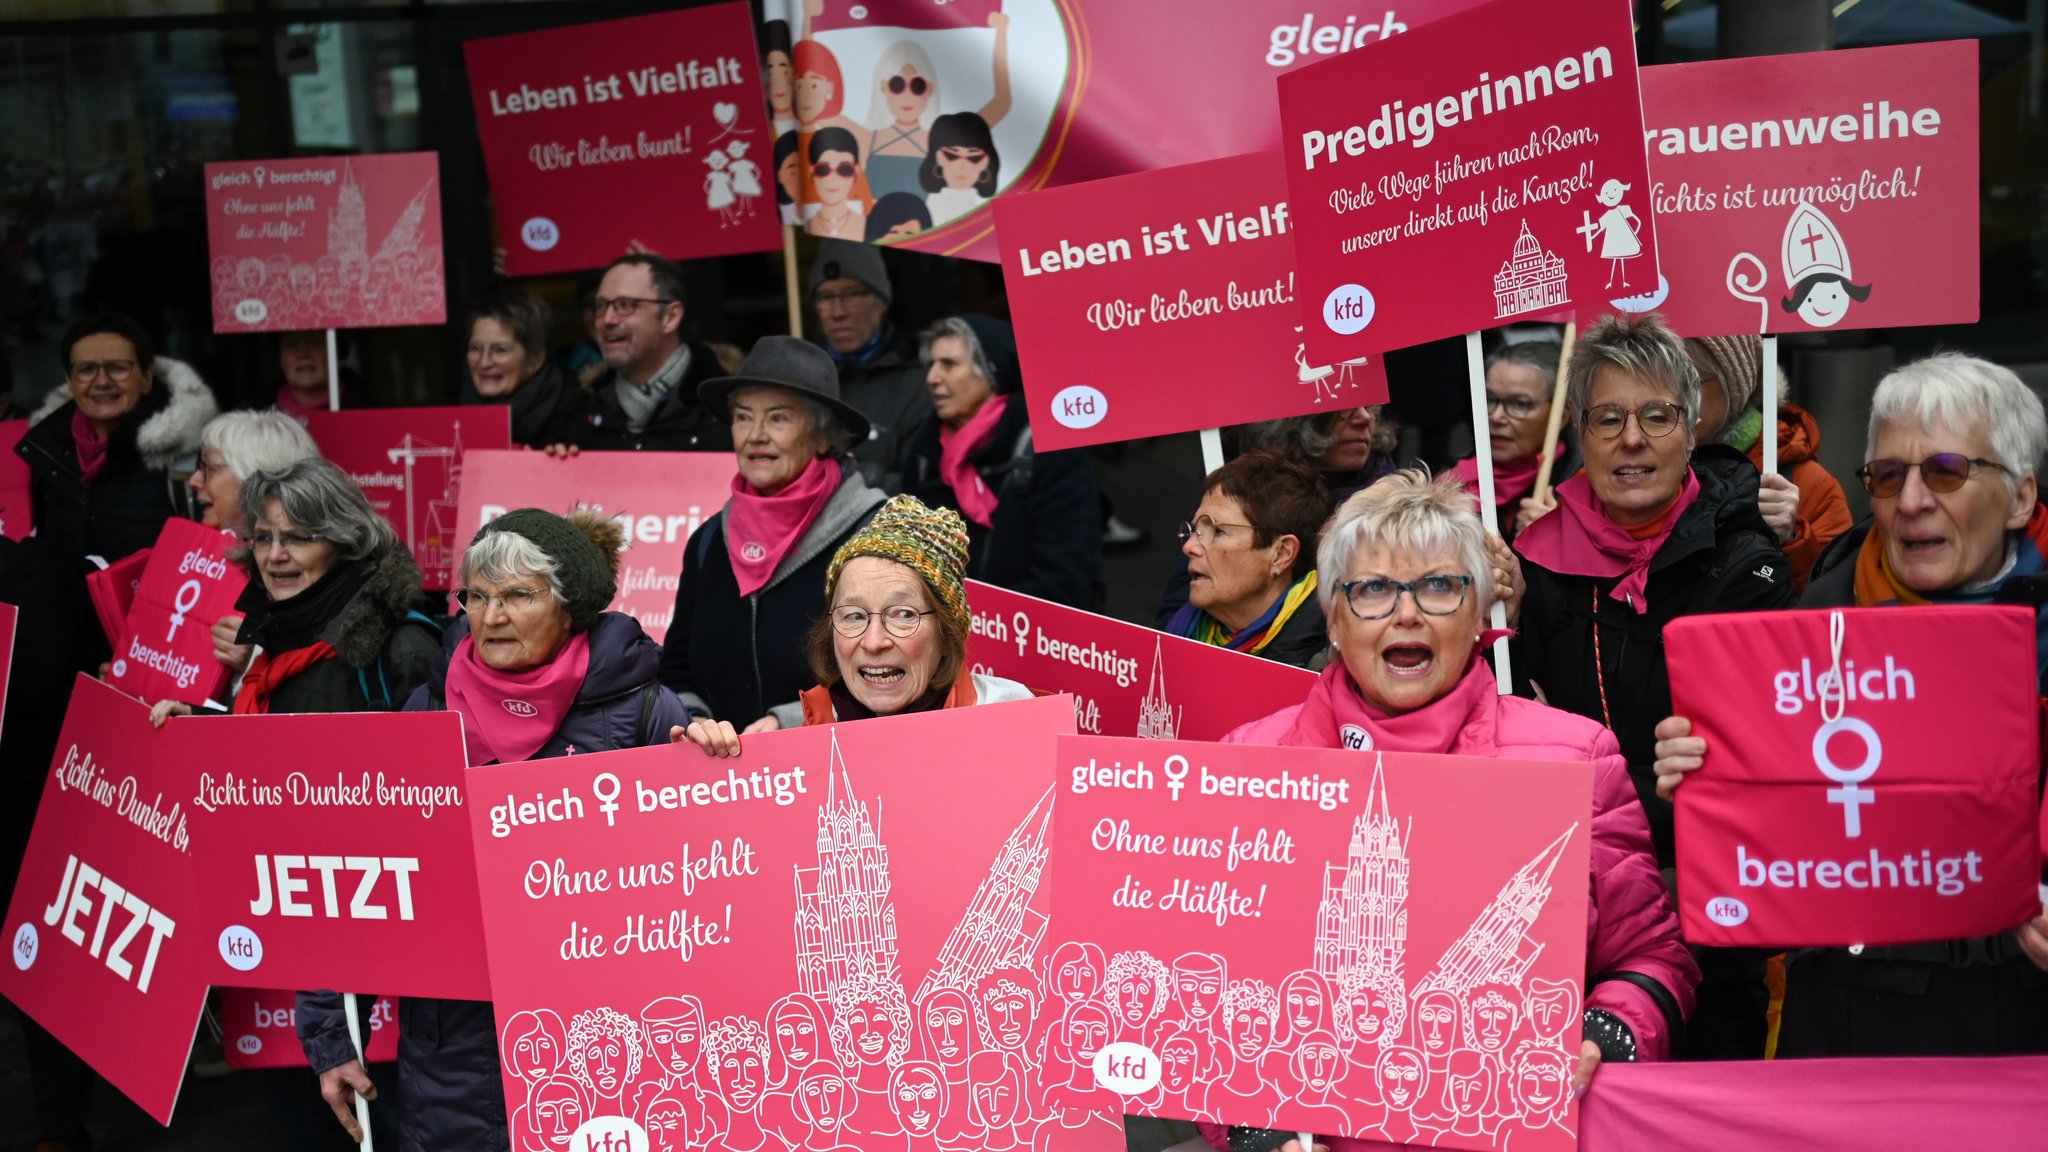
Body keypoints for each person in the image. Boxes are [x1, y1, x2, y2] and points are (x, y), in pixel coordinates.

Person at [1201, 471, 1696, 1152]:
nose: (1407, 613)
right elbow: (1201, 988)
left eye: (1438, 586)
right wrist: (1249, 1122)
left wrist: (1607, 1034)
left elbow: (1651, 957)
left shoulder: (1574, 757)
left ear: (1479, 612)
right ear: (1336, 622)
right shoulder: (1249, 768)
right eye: (1373, 589)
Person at [1654, 352, 2048, 1058]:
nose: (1913, 501)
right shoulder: (1811, 630)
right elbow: (1778, 840)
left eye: (1948, 471)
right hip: (1838, 1015)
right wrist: (1711, 779)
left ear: (2020, 497)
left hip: (2020, 1022)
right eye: (1889, 476)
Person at [331, 508, 687, 1149]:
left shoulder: (644, 711)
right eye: (478, 596)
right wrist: (332, 1032)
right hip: (455, 1052)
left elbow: (701, 877)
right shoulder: (426, 710)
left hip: (600, 1039)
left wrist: (717, 759)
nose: (492, 617)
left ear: (570, 606)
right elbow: (362, 872)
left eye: (519, 595)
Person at [1511, 312, 1794, 867]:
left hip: (1704, 875)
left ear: (1692, 433)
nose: (1633, 439)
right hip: (1562, 866)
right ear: (1580, 433)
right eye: (1609, 419)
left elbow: (1732, 768)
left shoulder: (1746, 565)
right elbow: (1513, 741)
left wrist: (1581, 789)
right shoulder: (1531, 565)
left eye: (1658, 417)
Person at [676, 494, 1032, 755]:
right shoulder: (795, 746)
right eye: (854, 616)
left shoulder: (1011, 718)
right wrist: (707, 769)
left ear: (946, 631)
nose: (874, 641)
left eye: (903, 615)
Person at [661, 336, 886, 732]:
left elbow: (893, 667)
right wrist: (695, 721)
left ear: (822, 436)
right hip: (724, 777)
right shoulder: (708, 541)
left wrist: (792, 721)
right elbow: (678, 671)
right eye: (744, 417)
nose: (756, 435)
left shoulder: (872, 532)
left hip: (839, 770)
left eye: (778, 418)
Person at [900, 315, 1100, 608]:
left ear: (991, 372)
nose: (932, 378)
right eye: (931, 365)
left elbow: (1064, 581)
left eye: (949, 364)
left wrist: (985, 624)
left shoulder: (1049, 454)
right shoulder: (923, 455)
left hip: (1029, 639)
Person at [17, 313, 216, 567]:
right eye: (86, 369)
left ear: (147, 377)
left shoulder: (189, 460)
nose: (102, 381)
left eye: (118, 368)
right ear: (69, 381)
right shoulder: (44, 455)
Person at [1686, 334, 1852, 594]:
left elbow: (1834, 609)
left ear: (1735, 383)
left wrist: (1792, 541)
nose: (1672, 396)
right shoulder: (1633, 473)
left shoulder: (1805, 483)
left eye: (1690, 380)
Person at [187, 409, 322, 683]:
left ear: (255, 476)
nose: (194, 480)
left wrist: (255, 660)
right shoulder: (195, 558)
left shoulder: (307, 568)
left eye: (208, 468)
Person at [1165, 451, 1332, 669]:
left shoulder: (1329, 662)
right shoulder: (1179, 632)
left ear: (1281, 554)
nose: (1188, 547)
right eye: (1194, 530)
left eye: (1216, 531)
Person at [573, 254, 730, 452]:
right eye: (600, 306)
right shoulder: (582, 407)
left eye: (625, 305)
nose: (607, 319)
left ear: (670, 317)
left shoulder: (727, 408)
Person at [808, 240, 930, 491]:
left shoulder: (920, 379)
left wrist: (851, 479)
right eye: (825, 297)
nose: (837, 311)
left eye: (852, 294)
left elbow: (923, 485)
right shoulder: (801, 381)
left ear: (882, 301)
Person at [1447, 341, 1570, 543]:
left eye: (1520, 404)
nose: (1496, 417)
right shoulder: (1454, 481)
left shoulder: (1584, 491)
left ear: (1562, 416)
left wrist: (1556, 545)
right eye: (1489, 399)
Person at [463, 286, 584, 451]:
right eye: (475, 348)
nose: (484, 363)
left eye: (500, 350)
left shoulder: (577, 419)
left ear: (535, 360)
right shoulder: (458, 414)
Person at [920, 112, 1001, 226]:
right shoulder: (924, 210)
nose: (962, 165)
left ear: (985, 161)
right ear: (938, 156)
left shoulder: (997, 212)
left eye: (974, 157)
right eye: (952, 155)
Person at [274, 329, 368, 416]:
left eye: (315, 344)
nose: (302, 354)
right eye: (291, 345)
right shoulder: (260, 412)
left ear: (338, 352)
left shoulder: (366, 409)